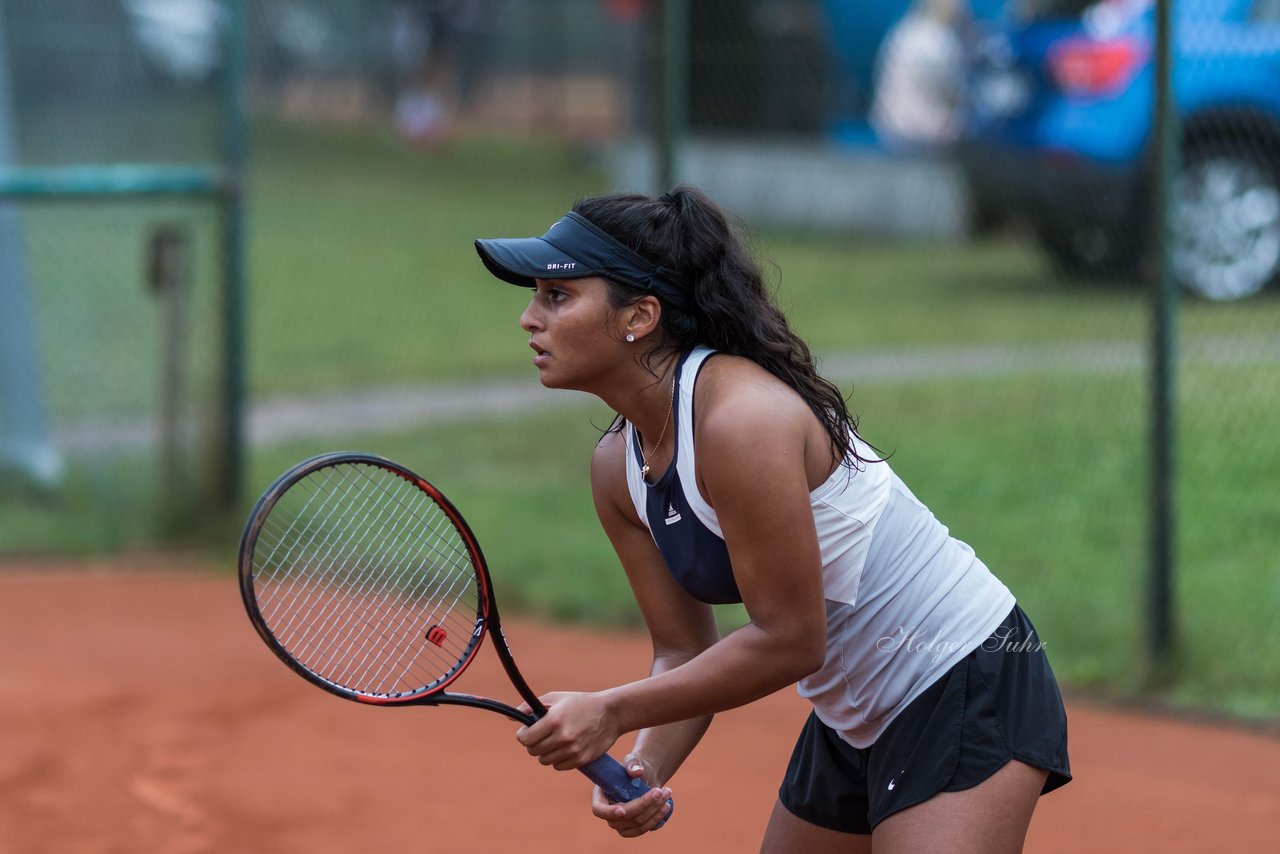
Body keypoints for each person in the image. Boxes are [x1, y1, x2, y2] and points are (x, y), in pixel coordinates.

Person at [472, 186, 1070, 851]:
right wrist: (645, 764)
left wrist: (610, 710)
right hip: (852, 712)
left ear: (640, 316)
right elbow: (684, 648)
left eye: (556, 296)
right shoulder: (618, 467)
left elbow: (790, 640)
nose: (529, 318)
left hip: (963, 675)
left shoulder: (741, 422)